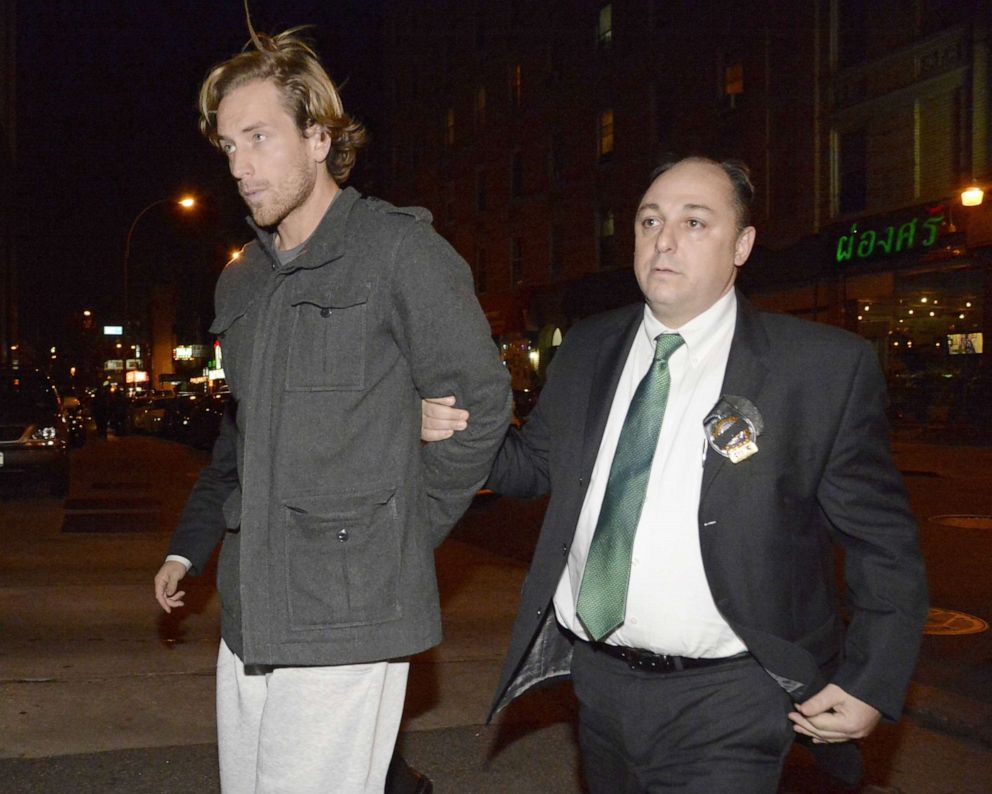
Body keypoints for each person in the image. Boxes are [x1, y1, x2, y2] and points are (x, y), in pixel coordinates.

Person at [422, 156, 928, 792]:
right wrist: (456, 428)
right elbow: (532, 466)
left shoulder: (820, 369)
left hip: (732, 697)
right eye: (650, 220)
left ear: (742, 245)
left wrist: (870, 679)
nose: (664, 240)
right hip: (599, 685)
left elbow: (883, 545)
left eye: (695, 222)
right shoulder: (589, 346)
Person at [153, 26, 511, 794]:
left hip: (348, 610)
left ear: (319, 137)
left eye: (259, 137)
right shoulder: (241, 283)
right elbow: (241, 442)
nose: (241, 166)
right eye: (228, 146)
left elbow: (479, 405)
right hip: (253, 608)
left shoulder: (398, 252)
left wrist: (397, 541)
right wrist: (192, 547)